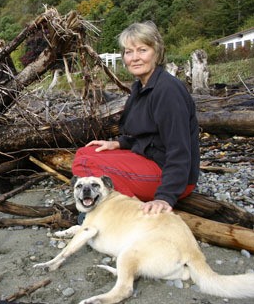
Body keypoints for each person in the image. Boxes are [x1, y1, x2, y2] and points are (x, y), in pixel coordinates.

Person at [72, 21, 200, 215]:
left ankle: (119, 214)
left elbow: (179, 149)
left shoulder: (167, 91)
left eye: (142, 50)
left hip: (169, 175)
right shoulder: (140, 87)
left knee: (86, 164)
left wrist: (165, 196)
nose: (134, 58)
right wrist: (118, 144)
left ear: (156, 52)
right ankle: (107, 205)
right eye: (128, 52)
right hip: (149, 159)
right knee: (84, 153)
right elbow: (143, 133)